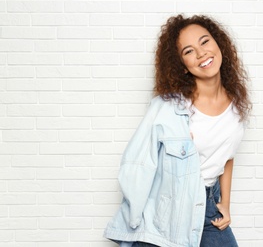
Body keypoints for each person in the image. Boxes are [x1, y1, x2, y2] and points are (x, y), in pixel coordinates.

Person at [104, 14, 251, 247]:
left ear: (218, 44)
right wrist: (136, 220)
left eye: (205, 42)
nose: (201, 53)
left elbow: (227, 155)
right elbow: (137, 164)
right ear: (182, 66)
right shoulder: (168, 108)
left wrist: (226, 203)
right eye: (189, 51)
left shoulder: (236, 105)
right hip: (169, 212)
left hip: (208, 208)